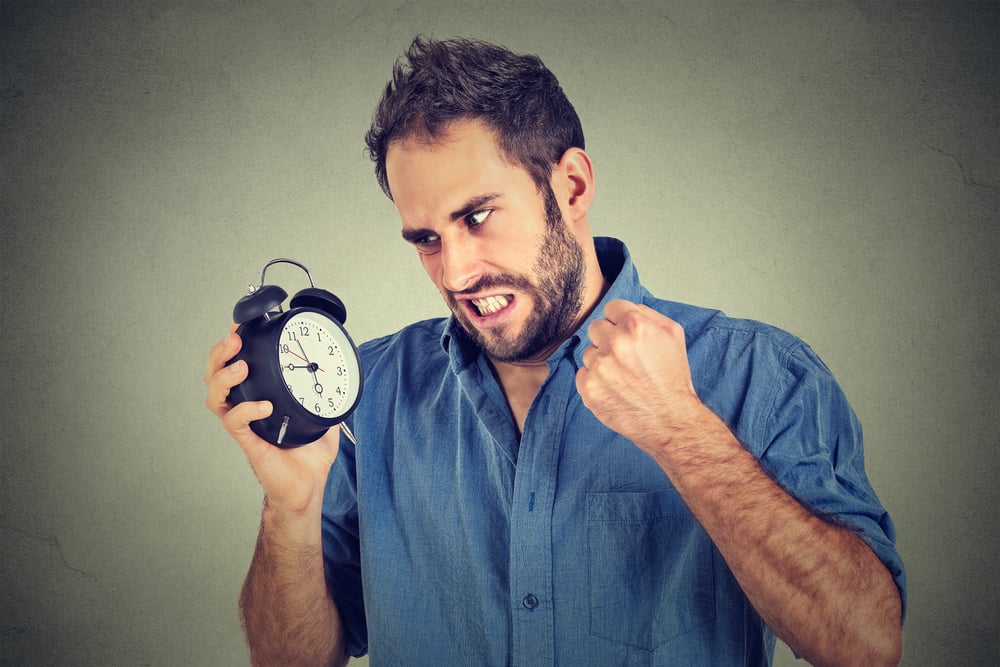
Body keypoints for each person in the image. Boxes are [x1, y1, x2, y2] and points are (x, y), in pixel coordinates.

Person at [205, 36, 905, 666]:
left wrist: (682, 433)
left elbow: (865, 646)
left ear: (571, 185)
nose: (454, 271)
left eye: (477, 217)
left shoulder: (762, 375)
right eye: (425, 239)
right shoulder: (370, 393)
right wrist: (289, 506)